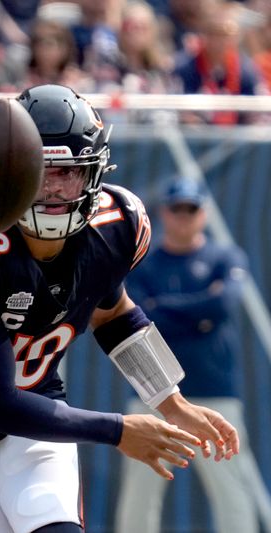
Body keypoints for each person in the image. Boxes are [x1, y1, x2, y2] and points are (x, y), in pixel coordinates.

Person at [0, 83, 240, 533]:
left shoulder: (118, 224)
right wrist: (117, 430)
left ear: (95, 172)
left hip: (34, 419)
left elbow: (113, 314)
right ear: (8, 174)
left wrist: (170, 402)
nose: (54, 190)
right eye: (40, 172)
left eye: (69, 172)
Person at [116, 177, 271, 533]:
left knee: (231, 489)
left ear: (203, 213)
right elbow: (137, 316)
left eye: (192, 208)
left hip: (215, 391)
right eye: (177, 208)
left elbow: (223, 305)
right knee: (139, 491)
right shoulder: (145, 263)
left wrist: (163, 309)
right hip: (153, 393)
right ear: (164, 213)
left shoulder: (225, 256)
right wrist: (197, 313)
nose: (184, 216)